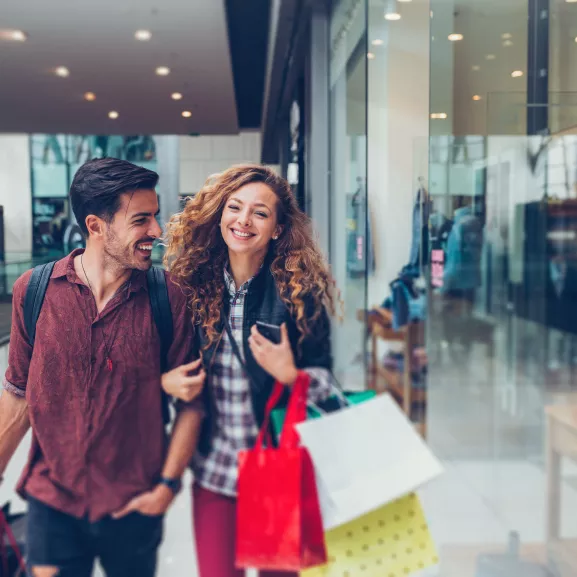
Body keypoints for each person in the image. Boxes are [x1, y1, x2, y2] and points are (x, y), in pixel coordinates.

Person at [0, 158, 205, 577]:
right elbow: (18, 393)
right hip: (51, 500)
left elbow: (191, 404)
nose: (156, 232)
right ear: (96, 226)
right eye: (141, 220)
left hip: (132, 502)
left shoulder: (169, 297)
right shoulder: (34, 291)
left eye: (155, 217)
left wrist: (166, 488)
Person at [161, 164, 338, 577]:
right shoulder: (188, 287)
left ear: (277, 228)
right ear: (220, 214)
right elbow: (159, 363)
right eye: (234, 207)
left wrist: (292, 375)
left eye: (260, 212)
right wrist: (166, 382)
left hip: (278, 470)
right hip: (214, 471)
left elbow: (328, 384)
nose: (243, 220)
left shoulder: (299, 293)